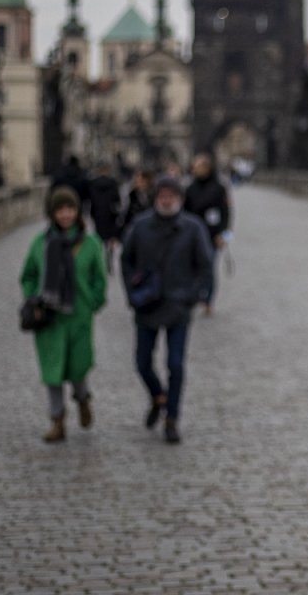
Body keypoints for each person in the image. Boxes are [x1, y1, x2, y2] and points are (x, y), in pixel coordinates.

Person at [120, 175, 213, 444]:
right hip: (147, 304)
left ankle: (172, 418)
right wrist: (132, 292)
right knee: (142, 363)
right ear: (156, 198)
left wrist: (194, 296)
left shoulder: (193, 228)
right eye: (162, 195)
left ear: (180, 199)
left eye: (172, 195)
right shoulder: (140, 227)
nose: (167, 199)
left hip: (178, 305)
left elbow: (205, 266)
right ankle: (158, 395)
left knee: (175, 364)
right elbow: (126, 260)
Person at [19, 186, 107, 443]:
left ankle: (83, 399)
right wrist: (32, 297)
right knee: (53, 371)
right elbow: (28, 275)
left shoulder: (90, 244)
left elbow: (99, 280)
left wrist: (92, 302)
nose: (66, 215)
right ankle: (57, 420)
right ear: (52, 213)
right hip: (49, 318)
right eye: (60, 210)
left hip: (79, 316)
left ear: (77, 212)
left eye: (70, 209)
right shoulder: (41, 243)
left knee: (78, 368)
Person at [183, 153, 229, 315]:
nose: (197, 170)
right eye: (195, 167)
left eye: (200, 167)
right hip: (193, 235)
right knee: (193, 268)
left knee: (209, 268)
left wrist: (224, 235)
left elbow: (226, 213)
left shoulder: (219, 187)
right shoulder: (189, 188)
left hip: (213, 235)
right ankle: (196, 296)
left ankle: (208, 300)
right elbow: (184, 213)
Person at [87, 162, 122, 273]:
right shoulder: (113, 183)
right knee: (110, 239)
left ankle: (99, 262)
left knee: (99, 239)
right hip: (110, 214)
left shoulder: (93, 183)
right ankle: (109, 260)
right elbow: (117, 200)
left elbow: (91, 199)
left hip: (98, 214)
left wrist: (92, 213)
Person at [119, 169, 154, 239]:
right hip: (136, 228)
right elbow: (127, 213)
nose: (136, 183)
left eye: (140, 181)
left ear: (146, 181)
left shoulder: (153, 195)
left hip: (151, 228)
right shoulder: (132, 195)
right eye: (136, 181)